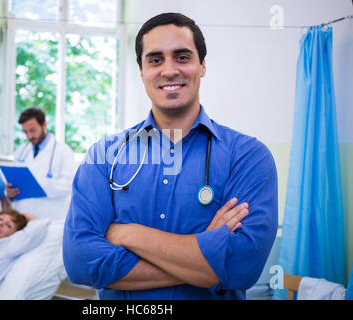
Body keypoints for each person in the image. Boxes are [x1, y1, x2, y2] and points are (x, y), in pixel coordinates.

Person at [62, 12, 278, 300]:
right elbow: (80, 262)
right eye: (155, 59)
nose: (169, 70)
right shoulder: (104, 157)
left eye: (182, 57)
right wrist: (206, 258)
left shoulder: (248, 157)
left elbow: (241, 267)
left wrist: (127, 234)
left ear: (202, 66)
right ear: (141, 71)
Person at [6, 108, 77, 221]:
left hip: (49, 217)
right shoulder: (21, 151)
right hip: (23, 218)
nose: (29, 136)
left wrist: (42, 184)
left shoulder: (63, 151)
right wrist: (10, 193)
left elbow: (70, 185)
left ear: (44, 125)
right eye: (25, 132)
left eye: (32, 130)